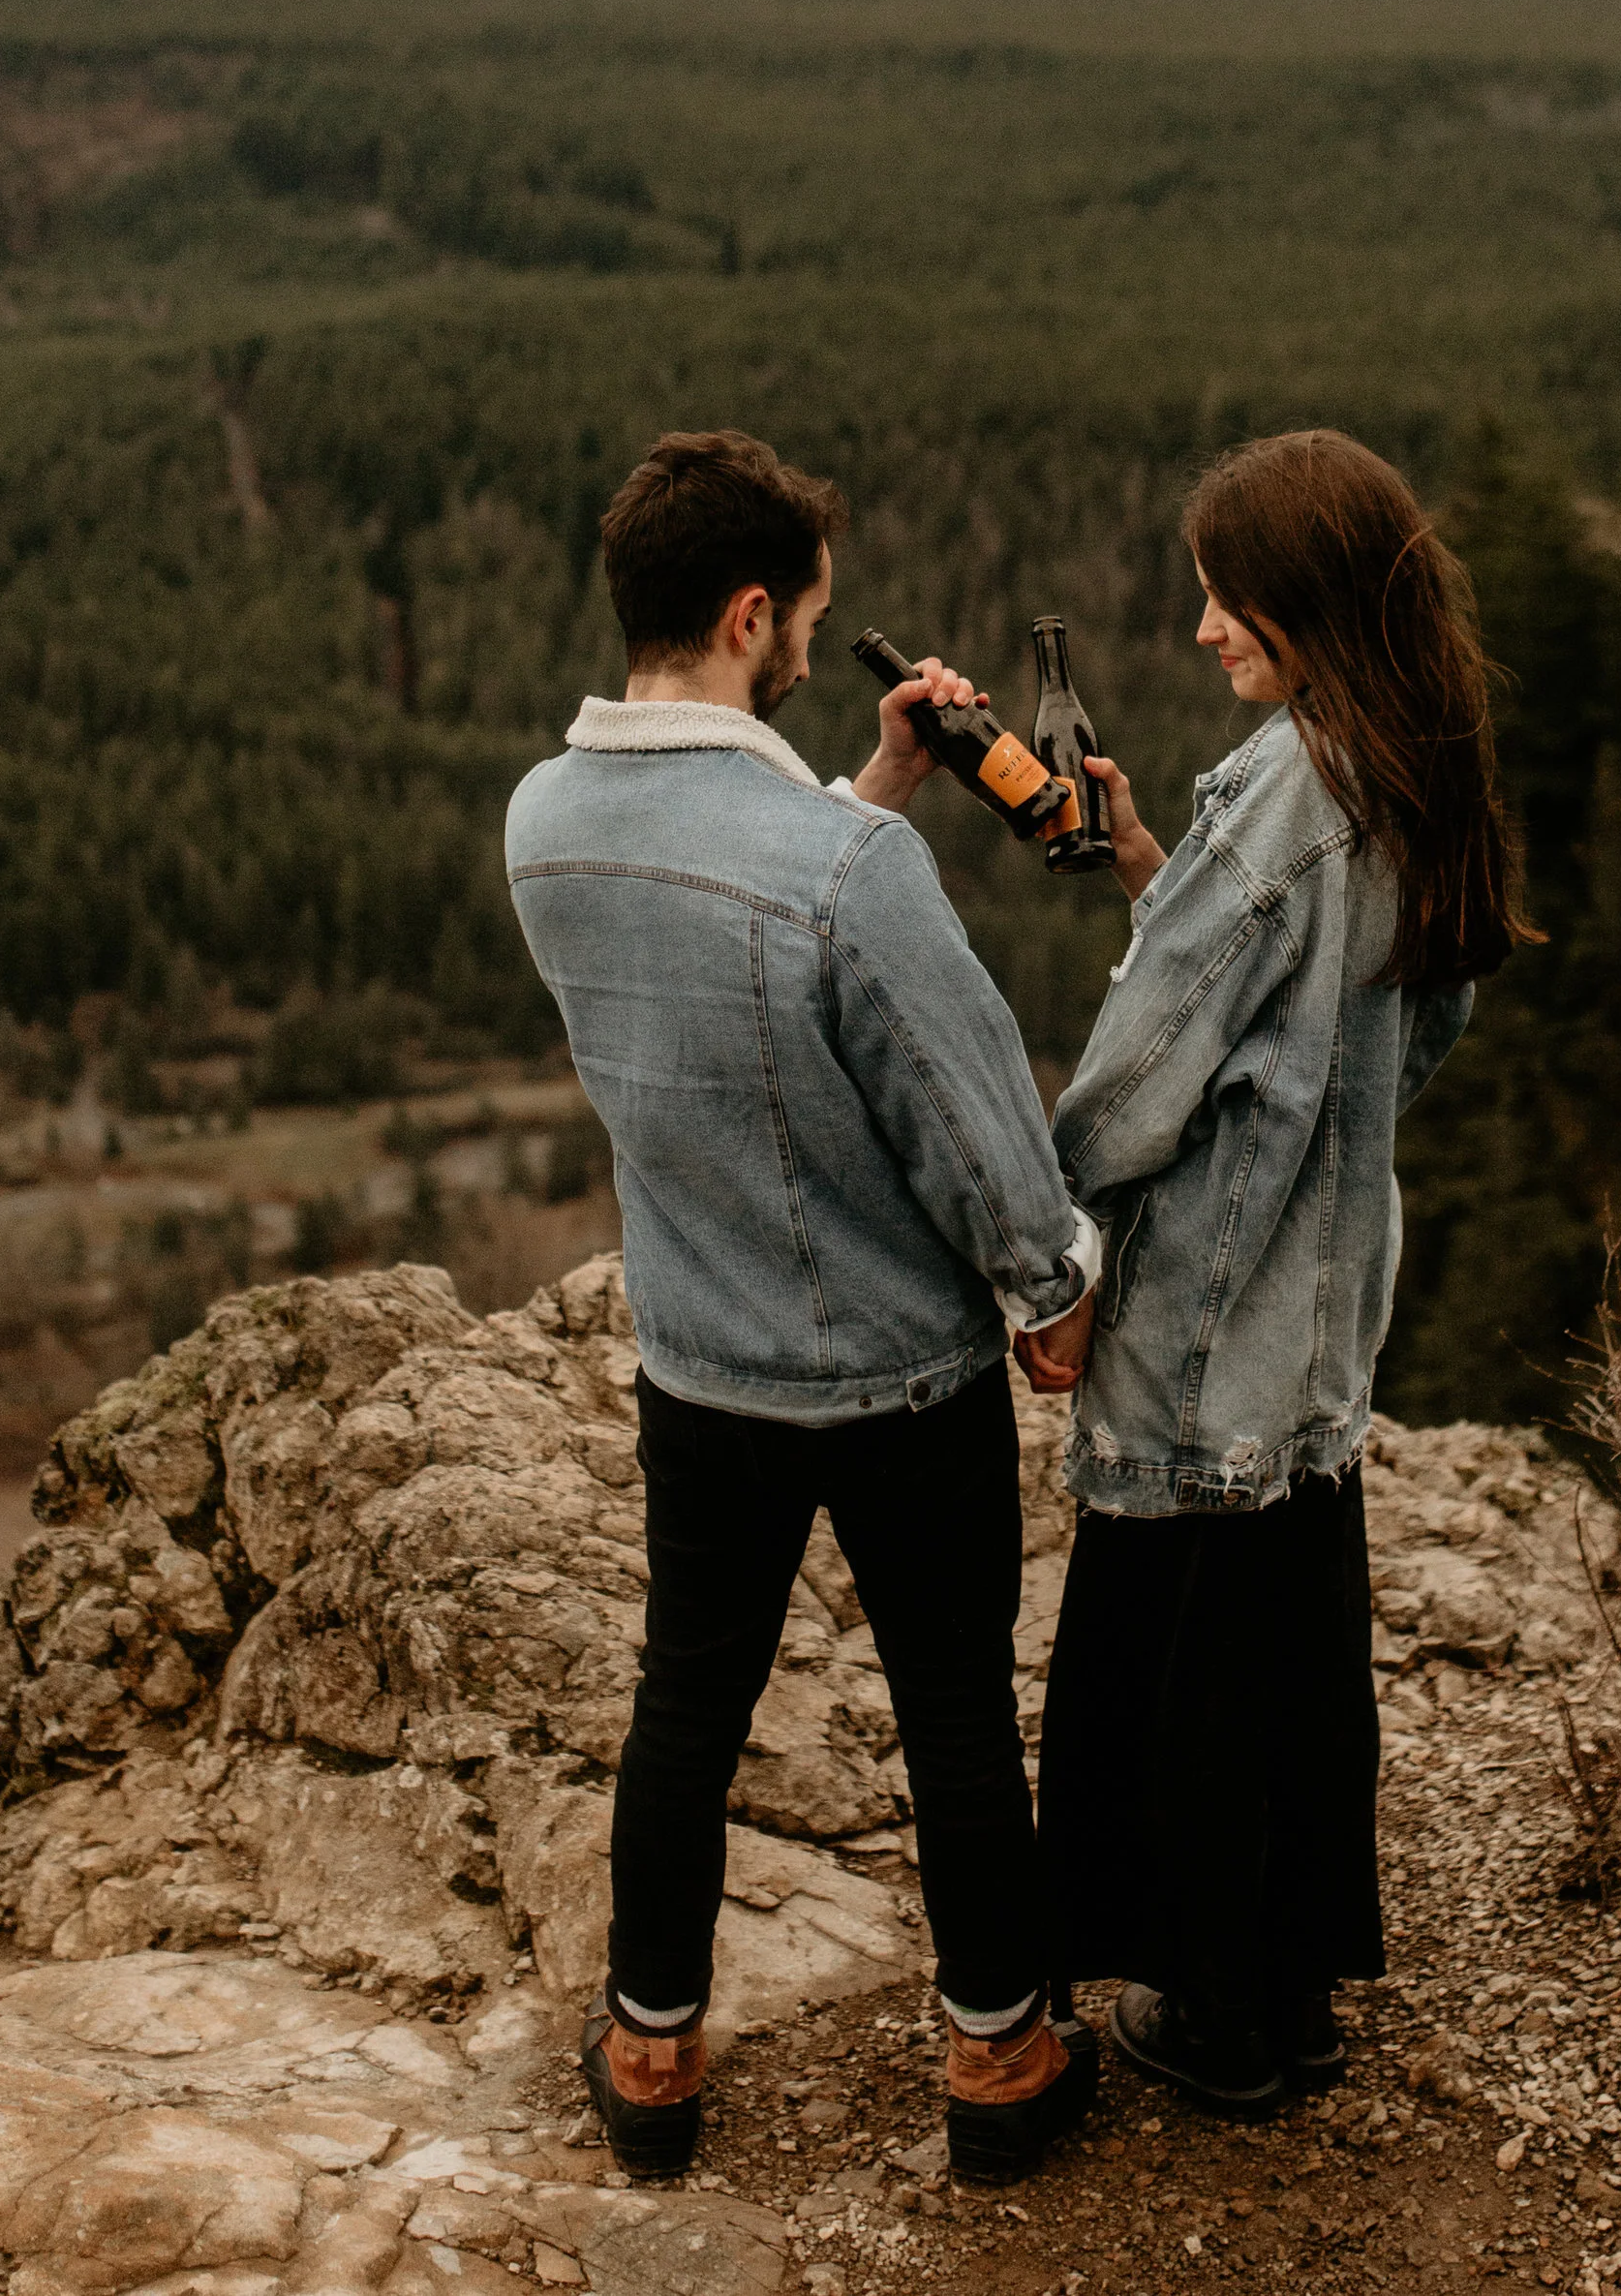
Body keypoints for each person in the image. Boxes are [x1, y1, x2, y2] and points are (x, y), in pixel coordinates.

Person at [507, 430, 1101, 2188]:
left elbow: (728, 931)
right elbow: (969, 1112)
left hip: (701, 1364)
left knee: (685, 1707)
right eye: (809, 622)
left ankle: (650, 2051)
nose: (809, 643)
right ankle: (998, 2056)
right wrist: (1052, 1284)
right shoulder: (851, 874)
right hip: (901, 1377)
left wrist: (876, 781)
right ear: (752, 612)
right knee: (951, 1713)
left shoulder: (543, 825)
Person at [1026, 428, 1527, 2117]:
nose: (1202, 630)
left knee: (1175, 1670)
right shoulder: (1405, 766)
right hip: (1321, 1321)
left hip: (1203, 1319)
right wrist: (1146, 863)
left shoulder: (1282, 792)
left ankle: (1217, 2018)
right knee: (1287, 1666)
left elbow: (1145, 1065)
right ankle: (1292, 1997)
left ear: (1302, 599)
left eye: (1226, 599)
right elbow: (1408, 1018)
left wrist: (1047, 1239)